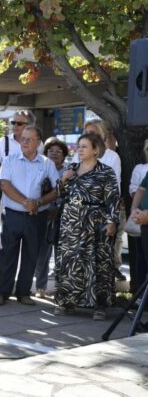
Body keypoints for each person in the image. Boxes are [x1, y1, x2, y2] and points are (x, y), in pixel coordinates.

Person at [54, 133, 119, 320]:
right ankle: (67, 301)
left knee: (97, 262)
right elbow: (60, 194)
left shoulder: (105, 172)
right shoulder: (71, 169)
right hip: (71, 223)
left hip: (94, 222)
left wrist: (111, 221)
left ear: (96, 150)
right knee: (70, 261)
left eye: (84, 146)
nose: (79, 150)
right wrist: (63, 180)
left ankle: (99, 305)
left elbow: (113, 199)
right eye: (78, 146)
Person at [0, 126, 58, 306]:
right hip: (13, 214)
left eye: (29, 139)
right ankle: (1, 292)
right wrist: (26, 202)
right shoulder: (10, 160)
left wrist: (38, 202)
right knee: (7, 254)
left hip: (36, 216)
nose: (25, 142)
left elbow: (56, 189)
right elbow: (4, 185)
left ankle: (23, 292)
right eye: (23, 139)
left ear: (39, 142)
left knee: (30, 256)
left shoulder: (47, 163)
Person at [72, 119, 125, 281]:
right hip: (78, 215)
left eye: (94, 133)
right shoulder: (77, 155)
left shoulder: (112, 157)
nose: (90, 136)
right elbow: (69, 188)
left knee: (99, 259)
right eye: (87, 133)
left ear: (102, 136)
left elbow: (113, 192)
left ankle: (97, 299)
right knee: (79, 258)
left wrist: (111, 219)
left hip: (100, 214)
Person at [33, 137, 68, 299]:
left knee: (62, 253)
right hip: (44, 214)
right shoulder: (41, 168)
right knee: (42, 253)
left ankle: (61, 289)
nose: (54, 154)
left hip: (64, 216)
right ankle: (41, 286)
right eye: (50, 151)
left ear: (64, 155)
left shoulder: (69, 171)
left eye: (58, 152)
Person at [128, 139, 148, 292]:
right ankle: (142, 300)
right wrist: (135, 209)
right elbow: (140, 189)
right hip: (143, 223)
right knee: (142, 260)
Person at [0, 110, 34, 175]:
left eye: (19, 123)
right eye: (13, 123)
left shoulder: (38, 144)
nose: (15, 126)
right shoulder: (3, 142)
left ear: (29, 126)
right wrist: (1, 178)